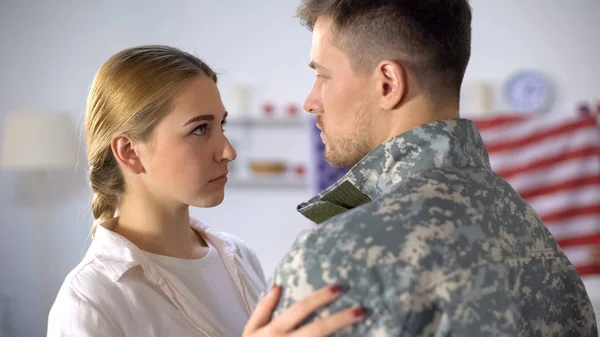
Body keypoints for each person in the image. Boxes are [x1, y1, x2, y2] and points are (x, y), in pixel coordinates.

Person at [267, 0, 599, 336]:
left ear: (388, 83)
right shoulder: (529, 232)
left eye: (323, 76)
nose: (311, 101)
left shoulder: (333, 256)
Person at [47, 45, 365, 337]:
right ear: (129, 151)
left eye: (220, 126)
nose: (227, 151)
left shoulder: (239, 257)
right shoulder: (90, 300)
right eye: (199, 129)